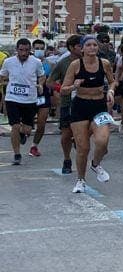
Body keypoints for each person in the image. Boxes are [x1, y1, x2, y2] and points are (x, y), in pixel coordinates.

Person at [62, 36, 117, 193]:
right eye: (89, 45)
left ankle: (95, 164)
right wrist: (74, 86)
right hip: (80, 106)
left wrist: (111, 91)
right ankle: (80, 180)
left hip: (99, 106)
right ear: (82, 48)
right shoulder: (75, 65)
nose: (92, 47)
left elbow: (112, 81)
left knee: (102, 140)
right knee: (83, 147)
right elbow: (63, 89)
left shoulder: (104, 63)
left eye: (95, 45)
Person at [2, 38, 45, 166]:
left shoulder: (36, 62)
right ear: (17, 50)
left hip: (29, 99)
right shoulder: (8, 62)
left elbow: (42, 75)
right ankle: (17, 154)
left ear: (30, 50)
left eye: (27, 50)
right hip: (12, 98)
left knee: (27, 129)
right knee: (14, 126)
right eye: (21, 50)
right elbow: (3, 75)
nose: (24, 53)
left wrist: (40, 84)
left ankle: (23, 133)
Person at [47, 34, 82, 175]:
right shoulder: (63, 63)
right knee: (66, 134)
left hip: (86, 102)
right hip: (68, 102)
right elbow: (49, 82)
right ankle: (67, 159)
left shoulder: (89, 61)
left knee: (86, 132)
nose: (83, 48)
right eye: (80, 46)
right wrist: (60, 90)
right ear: (72, 48)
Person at [29, 38, 51, 158]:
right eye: (37, 49)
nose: (39, 51)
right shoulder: (28, 62)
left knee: (41, 123)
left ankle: (34, 146)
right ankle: (23, 133)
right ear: (32, 49)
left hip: (44, 95)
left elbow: (54, 79)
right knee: (27, 124)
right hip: (28, 96)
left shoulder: (50, 64)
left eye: (41, 49)